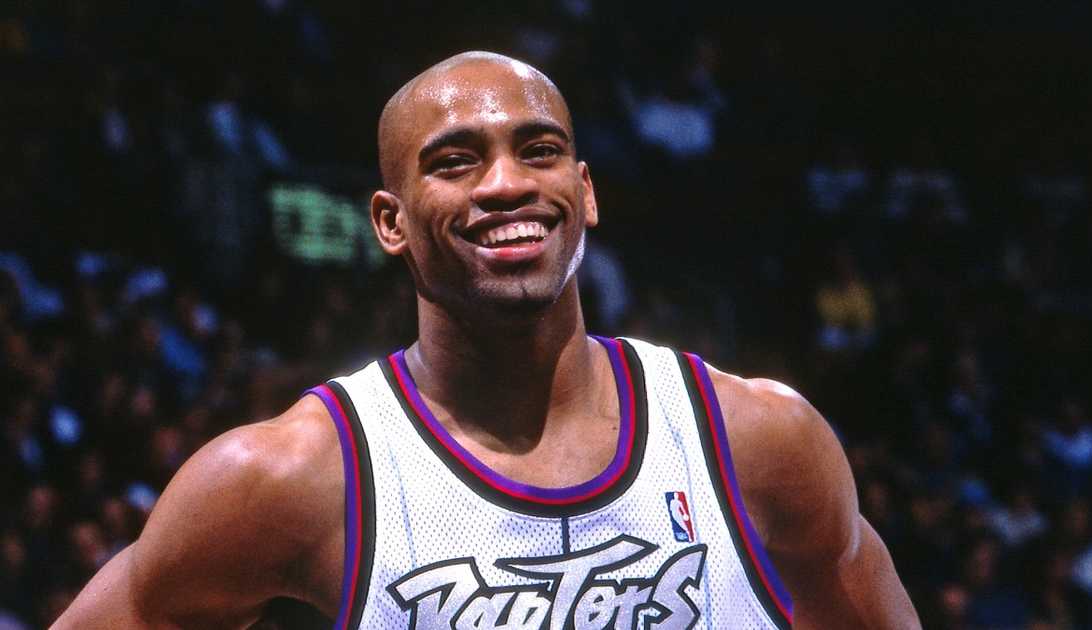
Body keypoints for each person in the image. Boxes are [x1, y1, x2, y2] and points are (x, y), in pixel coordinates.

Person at [55, 51, 920, 629]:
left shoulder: (758, 438)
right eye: (456, 160)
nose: (506, 183)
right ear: (390, 223)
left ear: (584, 192)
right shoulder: (292, 479)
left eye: (537, 151)